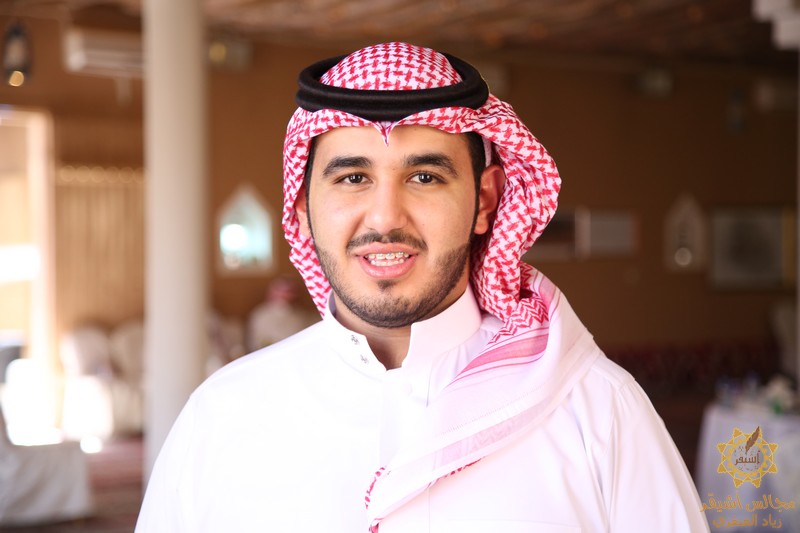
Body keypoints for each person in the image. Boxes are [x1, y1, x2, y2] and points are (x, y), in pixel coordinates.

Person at [136, 42, 709, 532]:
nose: (386, 217)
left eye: (425, 176)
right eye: (353, 177)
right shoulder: (223, 416)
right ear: (304, 206)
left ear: (485, 201)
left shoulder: (597, 412)